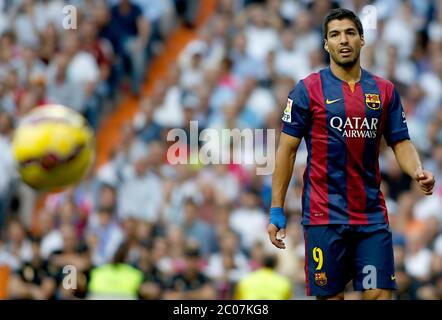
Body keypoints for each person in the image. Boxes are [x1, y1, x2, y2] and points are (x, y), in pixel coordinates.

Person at [268, 8, 436, 300]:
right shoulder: (307, 91)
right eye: (334, 34)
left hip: (370, 215)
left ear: (362, 40)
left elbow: (400, 142)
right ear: (326, 44)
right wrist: (276, 209)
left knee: (379, 294)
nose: (343, 40)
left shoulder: (384, 91)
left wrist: (417, 171)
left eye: (349, 33)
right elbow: (287, 150)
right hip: (323, 215)